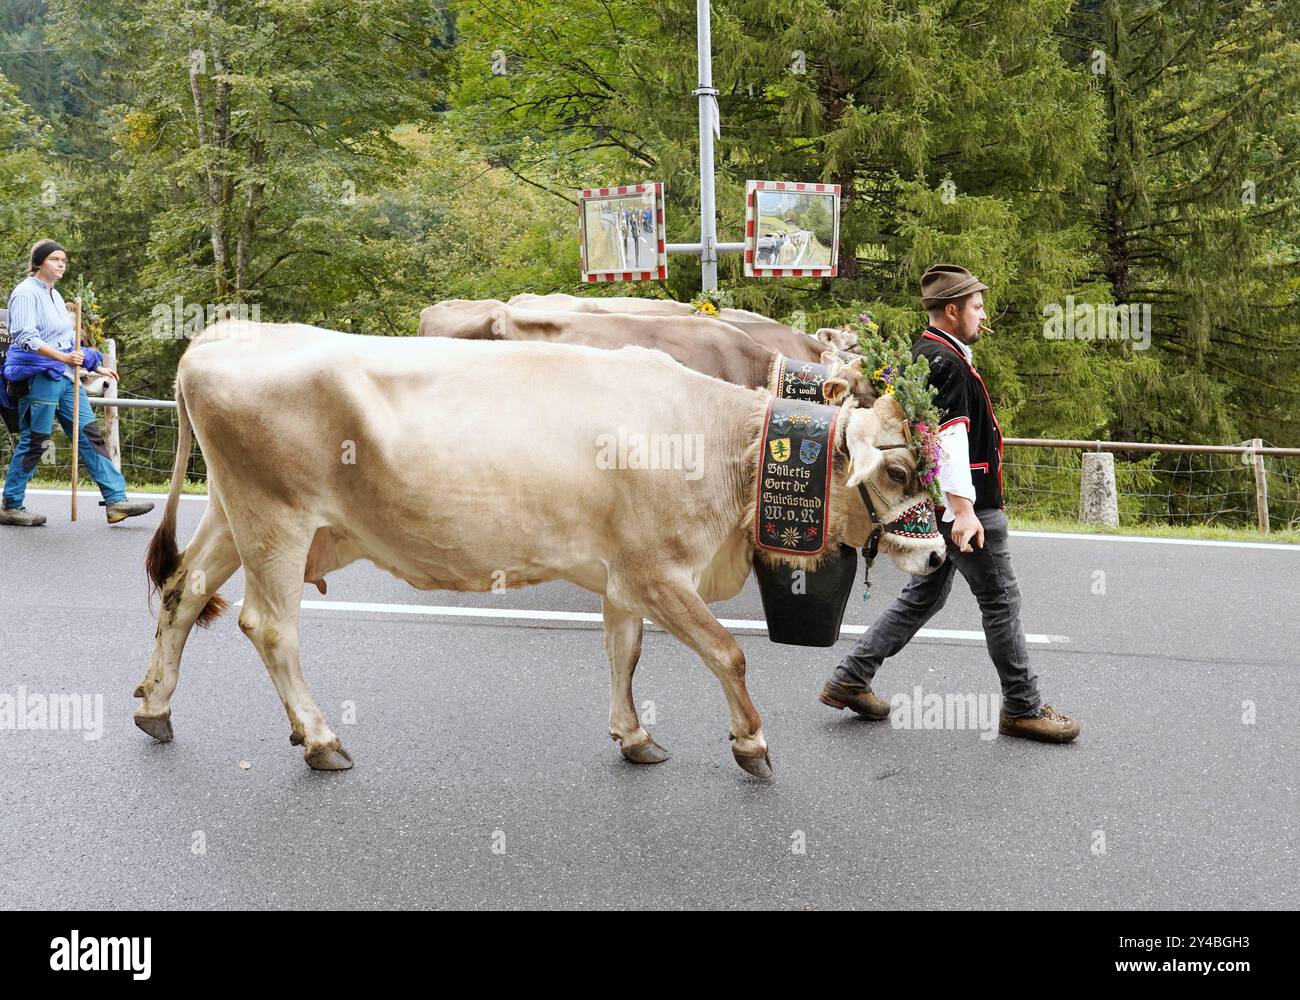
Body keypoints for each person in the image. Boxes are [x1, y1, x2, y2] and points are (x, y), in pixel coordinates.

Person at [818, 264, 1081, 743]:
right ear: (953, 310)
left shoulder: (930, 356)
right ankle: (1022, 707)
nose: (983, 316)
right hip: (968, 507)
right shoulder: (947, 364)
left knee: (925, 595)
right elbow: (950, 440)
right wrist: (963, 512)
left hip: (943, 503)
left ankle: (852, 677)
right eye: (977, 308)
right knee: (1000, 600)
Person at [0, 239, 154, 527]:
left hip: (65, 377)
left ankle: (115, 501)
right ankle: (10, 504)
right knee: (36, 440)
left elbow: (67, 342)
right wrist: (62, 357)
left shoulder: (55, 296)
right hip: (38, 376)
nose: (61, 264)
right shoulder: (25, 293)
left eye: (64, 260)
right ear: (39, 262)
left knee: (89, 435)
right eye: (55, 259)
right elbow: (24, 337)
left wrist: (94, 365)